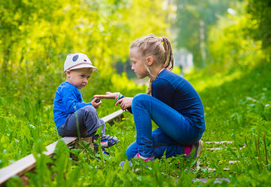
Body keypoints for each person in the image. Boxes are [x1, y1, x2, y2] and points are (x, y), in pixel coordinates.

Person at [95, 35, 204, 163]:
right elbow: (156, 114)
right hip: (183, 128)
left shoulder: (162, 82)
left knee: (140, 99)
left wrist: (135, 101)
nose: (132, 67)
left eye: (134, 62)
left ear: (149, 60)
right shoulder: (159, 80)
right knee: (130, 152)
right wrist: (122, 98)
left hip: (189, 129)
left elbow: (156, 114)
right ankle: (186, 151)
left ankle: (145, 157)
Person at [53, 53, 119, 149]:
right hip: (65, 125)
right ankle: (100, 139)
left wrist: (89, 106)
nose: (85, 80)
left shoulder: (72, 88)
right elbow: (72, 107)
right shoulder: (66, 88)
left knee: (100, 123)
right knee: (88, 109)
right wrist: (90, 105)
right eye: (82, 76)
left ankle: (98, 147)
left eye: (88, 77)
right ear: (68, 73)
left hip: (72, 125)